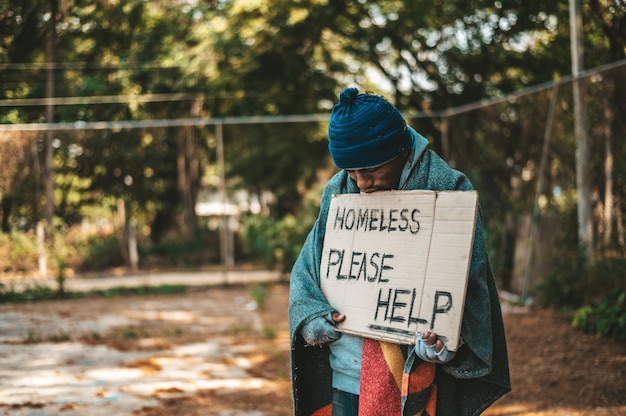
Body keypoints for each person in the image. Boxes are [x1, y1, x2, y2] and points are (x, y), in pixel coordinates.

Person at [288, 87, 511, 416]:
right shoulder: (338, 192)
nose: (362, 182)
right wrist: (311, 316)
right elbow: (308, 265)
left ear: (398, 152)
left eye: (371, 170)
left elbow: (467, 286)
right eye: (352, 172)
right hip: (345, 373)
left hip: (417, 376)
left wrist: (445, 341)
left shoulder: (447, 190)